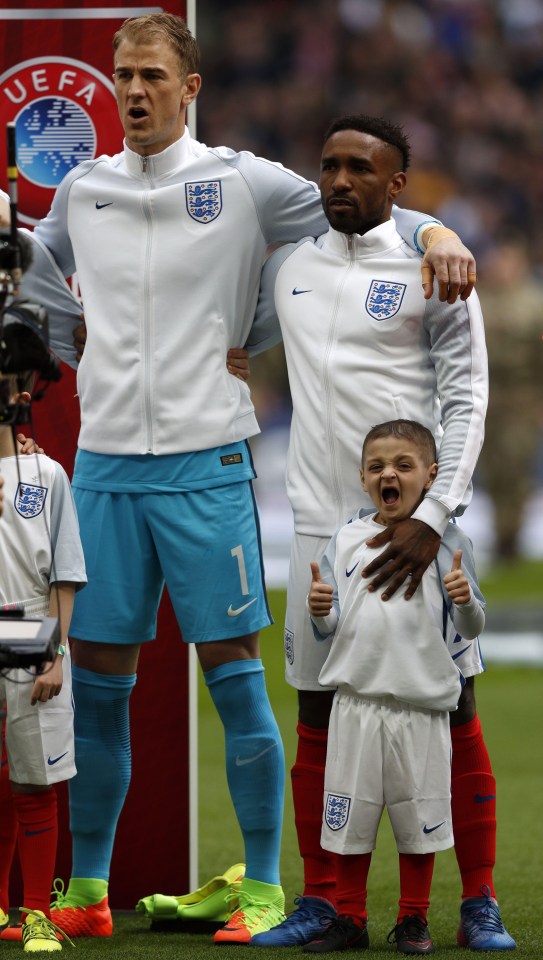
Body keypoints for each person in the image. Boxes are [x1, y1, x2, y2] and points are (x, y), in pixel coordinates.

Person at [16, 14, 477, 943]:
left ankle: (264, 884)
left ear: (189, 87)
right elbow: (35, 273)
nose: (132, 90)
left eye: (151, 74)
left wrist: (435, 231)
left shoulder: (243, 182)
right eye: (121, 75)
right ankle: (90, 891)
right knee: (99, 684)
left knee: (233, 678)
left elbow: (365, 210)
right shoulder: (84, 188)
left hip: (207, 462)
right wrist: (60, 334)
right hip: (104, 465)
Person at [249, 115, 514, 951]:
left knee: (451, 704)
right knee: (319, 712)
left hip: (420, 534)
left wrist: (435, 519)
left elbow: (468, 401)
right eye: (327, 165)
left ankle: (478, 902)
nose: (339, 180)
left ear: (396, 186)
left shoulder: (433, 269)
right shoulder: (289, 267)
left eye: (361, 169)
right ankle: (327, 905)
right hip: (325, 533)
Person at [302, 419, 485, 955]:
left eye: (404, 465)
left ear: (430, 476)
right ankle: (350, 917)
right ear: (362, 477)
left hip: (421, 707)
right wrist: (323, 611)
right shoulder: (345, 540)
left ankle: (413, 920)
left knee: (418, 821)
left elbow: (473, 628)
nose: (390, 474)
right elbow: (334, 625)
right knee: (349, 820)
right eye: (378, 465)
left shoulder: (448, 541)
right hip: (355, 706)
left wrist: (463, 600)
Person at [0, 372, 86, 953]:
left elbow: (64, 573)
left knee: (34, 777)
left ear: (21, 396)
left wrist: (55, 655)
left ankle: (35, 914)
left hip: (30, 625)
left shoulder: (46, 473)